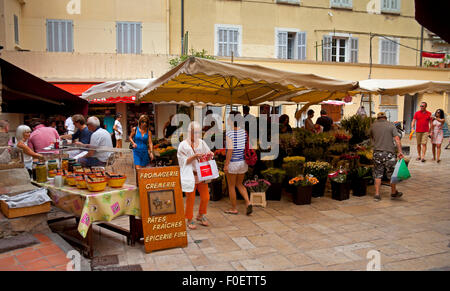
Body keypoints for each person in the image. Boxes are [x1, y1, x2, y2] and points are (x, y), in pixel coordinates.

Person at [177, 121, 214, 230]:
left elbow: (208, 154)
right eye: (195, 132)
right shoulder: (183, 145)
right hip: (189, 175)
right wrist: (194, 156)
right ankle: (189, 218)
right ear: (189, 132)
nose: (197, 135)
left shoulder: (202, 143)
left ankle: (200, 215)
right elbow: (182, 161)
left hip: (201, 175)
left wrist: (210, 154)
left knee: (206, 197)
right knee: (190, 198)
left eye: (198, 132)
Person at [370, 112, 404, 202]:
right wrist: (400, 152)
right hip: (389, 153)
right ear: (385, 117)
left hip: (377, 153)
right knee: (391, 174)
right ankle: (393, 192)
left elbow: (371, 138)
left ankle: (377, 194)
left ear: (378, 118)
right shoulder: (391, 125)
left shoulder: (373, 126)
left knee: (377, 173)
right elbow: (397, 139)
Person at [224, 111, 252, 216]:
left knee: (231, 186)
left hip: (233, 163)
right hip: (243, 162)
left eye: (228, 118)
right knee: (239, 184)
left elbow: (230, 150)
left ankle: (233, 208)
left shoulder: (229, 133)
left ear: (232, 120)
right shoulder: (244, 132)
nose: (227, 120)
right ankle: (248, 202)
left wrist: (226, 164)